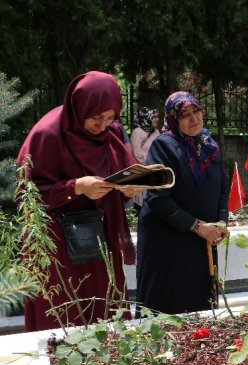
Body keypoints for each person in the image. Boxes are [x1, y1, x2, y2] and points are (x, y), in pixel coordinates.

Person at [16, 71, 140, 331]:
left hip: (99, 240)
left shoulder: (107, 135)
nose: (103, 125)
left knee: (105, 312)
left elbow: (120, 171)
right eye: (97, 117)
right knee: (63, 315)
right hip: (57, 246)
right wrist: (75, 187)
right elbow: (27, 195)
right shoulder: (48, 134)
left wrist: (126, 189)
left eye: (110, 118)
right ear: (79, 106)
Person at [136, 92, 229, 315]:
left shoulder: (208, 144)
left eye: (196, 111)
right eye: (184, 115)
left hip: (202, 241)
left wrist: (221, 222)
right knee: (168, 309)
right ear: (173, 119)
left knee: (201, 306)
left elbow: (222, 187)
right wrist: (198, 227)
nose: (193, 119)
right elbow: (159, 199)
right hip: (168, 243)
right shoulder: (164, 146)